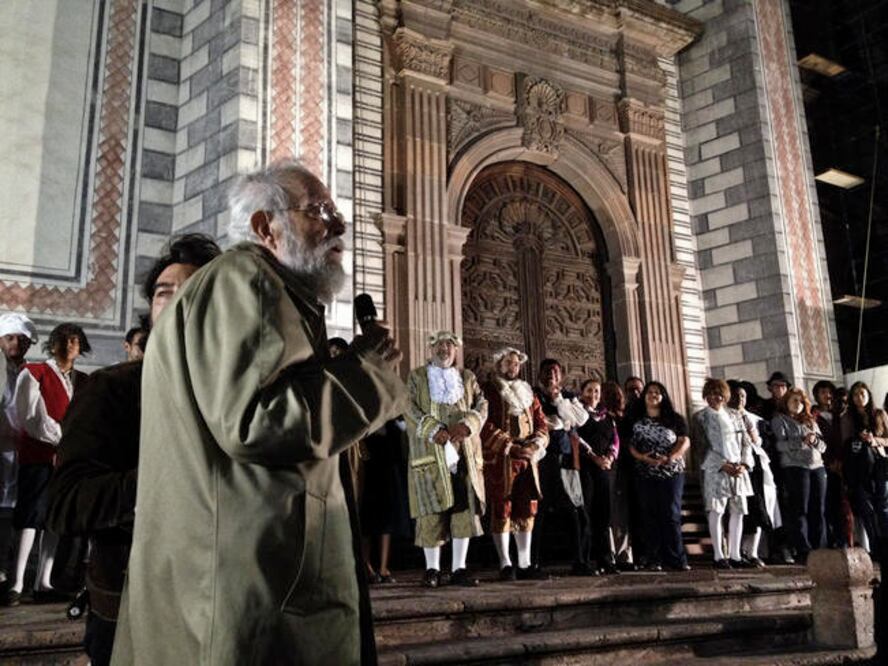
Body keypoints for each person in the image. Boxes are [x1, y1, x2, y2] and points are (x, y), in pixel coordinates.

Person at [110, 162, 406, 666]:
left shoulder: (264, 289)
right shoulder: (247, 279)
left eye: (336, 211)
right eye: (319, 211)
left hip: (247, 581)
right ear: (265, 226)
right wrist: (370, 373)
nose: (339, 224)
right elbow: (255, 422)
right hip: (255, 590)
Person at [46, 234, 221, 666]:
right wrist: (172, 484)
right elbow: (67, 502)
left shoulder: (232, 392)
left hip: (220, 607)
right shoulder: (112, 389)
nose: (176, 300)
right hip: (130, 610)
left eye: (193, 290)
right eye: (164, 292)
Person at [4, 323, 90, 606]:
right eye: (63, 340)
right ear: (52, 345)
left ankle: (44, 582)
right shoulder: (35, 372)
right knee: (30, 515)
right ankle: (16, 583)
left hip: (67, 459)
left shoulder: (83, 381)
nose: (69, 345)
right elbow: (31, 415)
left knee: (54, 516)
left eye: (75, 341)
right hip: (39, 454)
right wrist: (61, 438)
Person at [405, 331, 487, 588]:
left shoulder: (467, 377)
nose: (444, 350)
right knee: (431, 509)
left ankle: (459, 568)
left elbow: (482, 405)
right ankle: (432, 569)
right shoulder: (417, 377)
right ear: (431, 349)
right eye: (440, 345)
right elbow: (408, 406)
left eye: (449, 346)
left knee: (463, 508)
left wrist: (468, 425)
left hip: (464, 453)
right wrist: (433, 430)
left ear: (456, 350)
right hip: (430, 454)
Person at [480, 347, 549, 581]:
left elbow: (541, 422)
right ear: (499, 364)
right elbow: (484, 424)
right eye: (508, 362)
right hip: (502, 458)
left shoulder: (528, 391)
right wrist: (509, 446)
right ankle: (505, 563)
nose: (513, 367)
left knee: (526, 507)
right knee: (502, 507)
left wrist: (536, 444)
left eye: (516, 363)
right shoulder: (489, 390)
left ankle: (524, 562)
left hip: (528, 458)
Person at [533, 359, 592, 574]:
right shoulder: (532, 395)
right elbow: (538, 421)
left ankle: (580, 561)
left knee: (575, 510)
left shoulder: (567, 396)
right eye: (547, 371)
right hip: (542, 459)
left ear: (561, 376)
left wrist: (559, 402)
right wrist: (559, 422)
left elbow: (579, 419)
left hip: (566, 459)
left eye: (555, 372)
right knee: (538, 510)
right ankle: (532, 562)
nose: (551, 375)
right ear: (540, 375)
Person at [627, 381, 690, 572]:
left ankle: (676, 558)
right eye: (649, 392)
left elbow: (684, 441)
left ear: (663, 396)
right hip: (645, 472)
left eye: (657, 392)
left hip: (671, 472)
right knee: (649, 515)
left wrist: (670, 457)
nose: (653, 395)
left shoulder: (674, 418)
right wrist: (642, 457)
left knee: (671, 513)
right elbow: (629, 445)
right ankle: (654, 558)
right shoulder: (635, 418)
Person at [694, 379, 754, 569]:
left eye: (719, 394)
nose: (715, 398)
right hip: (715, 469)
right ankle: (719, 555)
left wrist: (744, 463)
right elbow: (701, 447)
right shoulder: (700, 417)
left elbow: (746, 442)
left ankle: (735, 555)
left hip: (738, 468)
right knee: (716, 510)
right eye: (711, 394)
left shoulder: (735, 415)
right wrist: (722, 464)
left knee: (738, 511)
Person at [0, 314, 38, 586]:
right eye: (10, 337)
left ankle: (6, 569)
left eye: (21, 339)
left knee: (12, 509)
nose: (16, 343)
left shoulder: (32, 374)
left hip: (21, 451)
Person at [771, 387, 827, 563]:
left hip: (817, 466)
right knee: (800, 508)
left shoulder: (810, 421)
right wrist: (801, 442)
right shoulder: (780, 420)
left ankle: (820, 548)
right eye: (794, 400)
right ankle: (803, 549)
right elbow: (779, 445)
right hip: (795, 467)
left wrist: (815, 440)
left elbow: (823, 446)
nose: (798, 404)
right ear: (786, 402)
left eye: (801, 401)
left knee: (818, 508)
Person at [728, 382, 780, 567]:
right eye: (735, 395)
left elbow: (759, 442)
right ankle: (737, 551)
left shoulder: (754, 419)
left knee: (759, 510)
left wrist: (752, 434)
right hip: (735, 468)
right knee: (743, 511)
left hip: (756, 467)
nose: (739, 399)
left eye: (743, 396)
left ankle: (753, 551)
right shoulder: (724, 417)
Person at [838, 381, 888, 560]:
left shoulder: (879, 414)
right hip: (858, 469)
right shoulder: (847, 417)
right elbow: (845, 443)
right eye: (855, 394)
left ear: (868, 395)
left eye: (862, 393)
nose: (859, 398)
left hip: (880, 465)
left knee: (883, 508)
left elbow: (887, 439)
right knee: (867, 511)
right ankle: (875, 548)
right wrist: (858, 439)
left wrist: (875, 440)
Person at [359, 417, 410, 585]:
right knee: (367, 513)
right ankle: (366, 565)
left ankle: (383, 567)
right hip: (367, 458)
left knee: (388, 513)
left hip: (389, 458)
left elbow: (401, 426)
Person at [577, 378, 619, 574]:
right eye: (589, 390)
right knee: (585, 514)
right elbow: (575, 437)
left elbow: (615, 440)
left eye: (596, 391)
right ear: (582, 392)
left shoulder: (607, 417)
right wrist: (594, 457)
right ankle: (583, 560)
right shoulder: (577, 413)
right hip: (585, 467)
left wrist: (610, 457)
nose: (593, 394)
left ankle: (605, 559)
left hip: (604, 469)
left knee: (604, 514)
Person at [601, 380, 636, 569]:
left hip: (623, 466)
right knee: (611, 511)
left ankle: (623, 554)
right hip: (609, 465)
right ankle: (614, 553)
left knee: (621, 512)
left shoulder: (624, 419)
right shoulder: (602, 418)